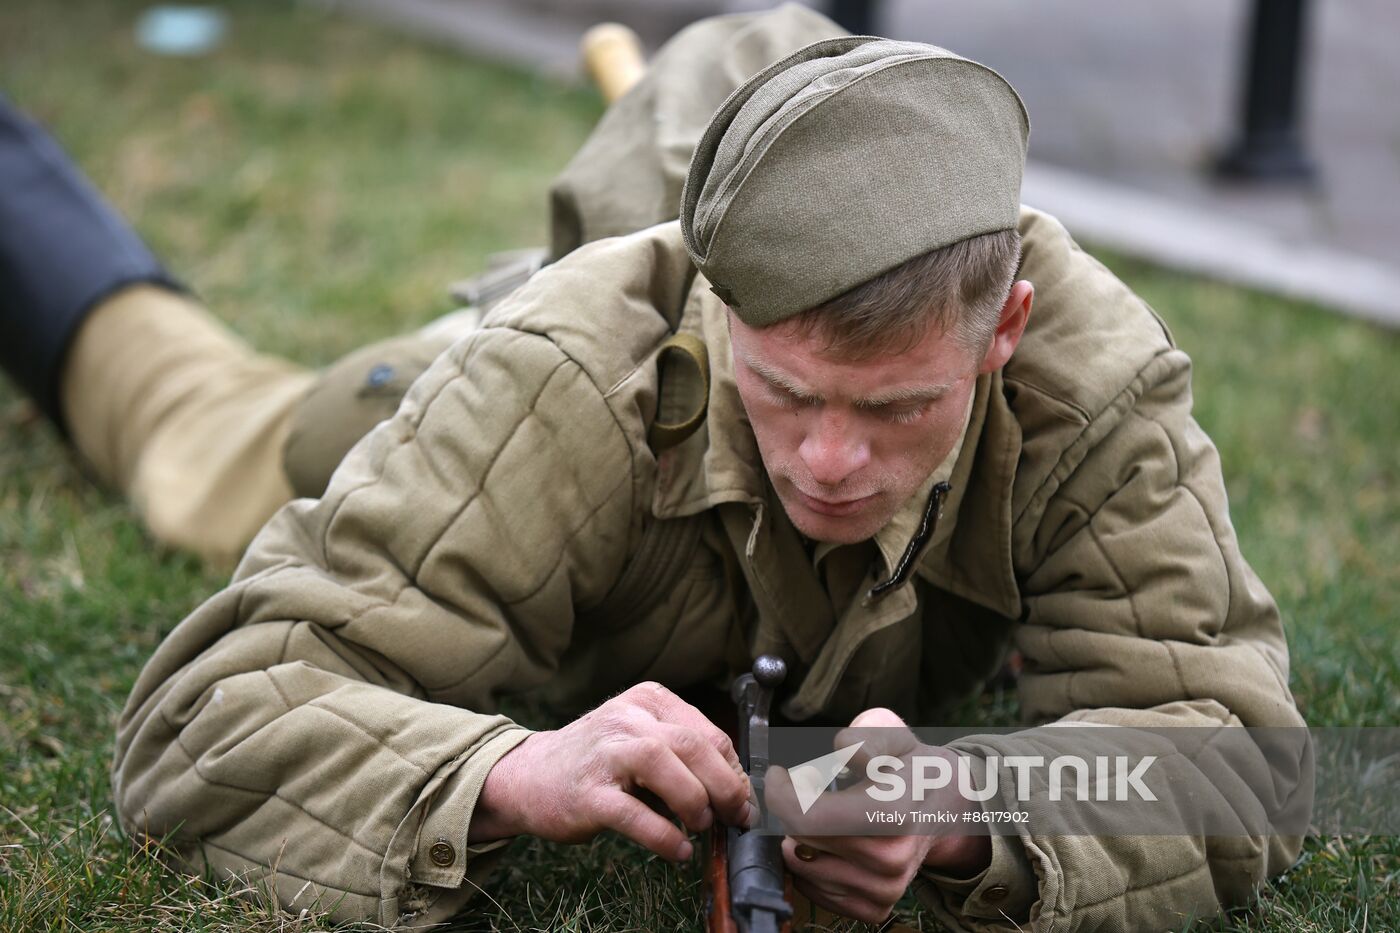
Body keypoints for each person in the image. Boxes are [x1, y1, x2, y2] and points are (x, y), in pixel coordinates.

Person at [1, 6, 1305, 932]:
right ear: (723, 313)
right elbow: (204, 723)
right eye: (786, 390)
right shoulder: (567, 377)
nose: (832, 460)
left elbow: (1246, 762)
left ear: (1004, 328)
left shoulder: (1093, 381)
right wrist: (508, 775)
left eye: (899, 406)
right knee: (202, 434)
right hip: (492, 375)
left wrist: (969, 805)